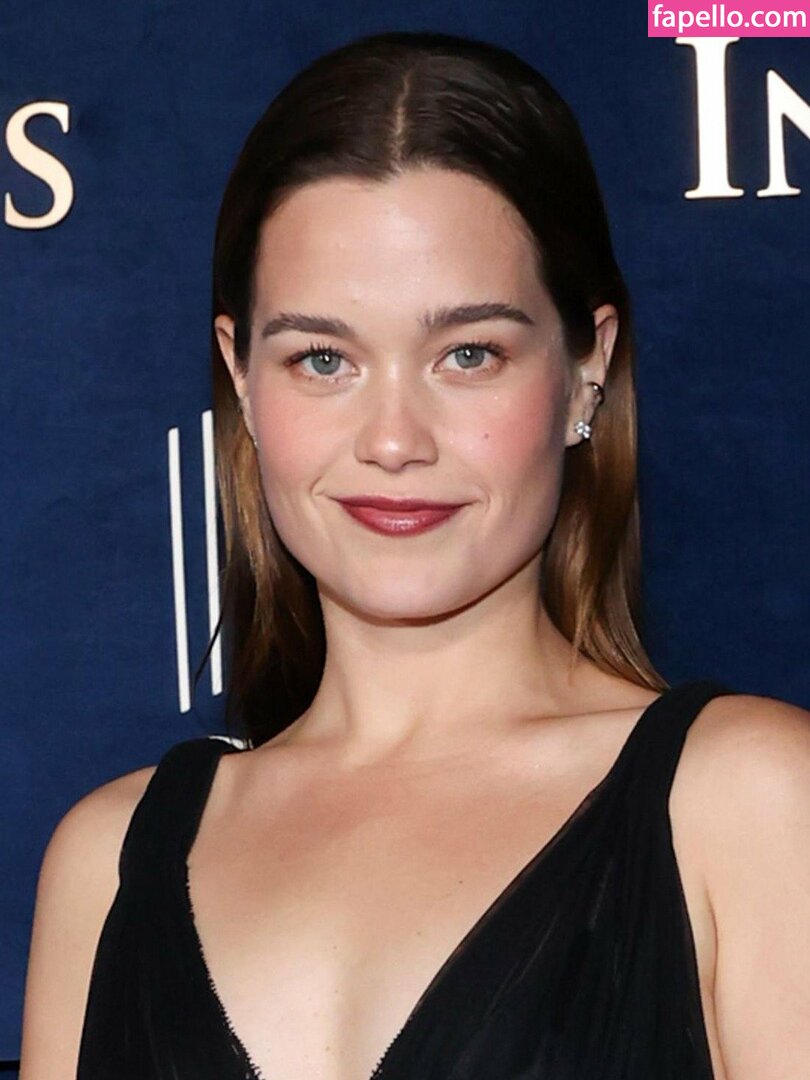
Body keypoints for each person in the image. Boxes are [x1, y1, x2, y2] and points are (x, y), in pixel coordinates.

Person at [18, 29, 810, 1080]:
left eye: (468, 353)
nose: (394, 441)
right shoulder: (106, 864)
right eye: (323, 359)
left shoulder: (749, 803)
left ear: (587, 368)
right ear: (242, 379)